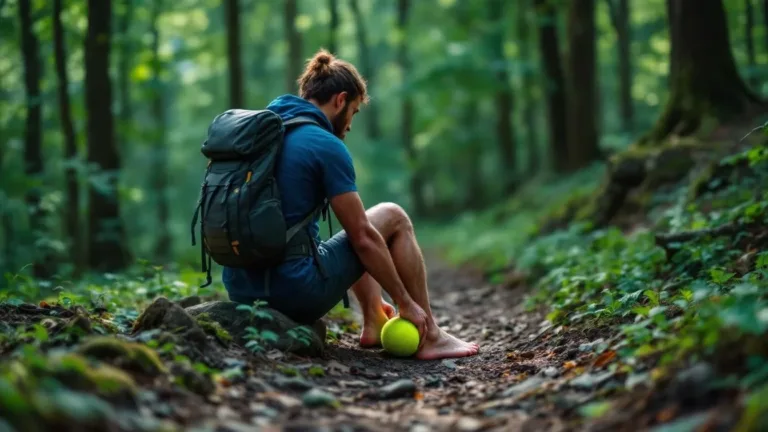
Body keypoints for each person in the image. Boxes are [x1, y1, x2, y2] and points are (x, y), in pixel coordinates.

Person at [222, 49, 479, 360]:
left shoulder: (263, 134)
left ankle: (373, 318)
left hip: (240, 289)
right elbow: (363, 238)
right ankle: (432, 336)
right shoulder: (324, 144)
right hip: (293, 292)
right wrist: (404, 301)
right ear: (340, 100)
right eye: (355, 112)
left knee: (359, 222)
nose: (351, 124)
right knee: (391, 217)